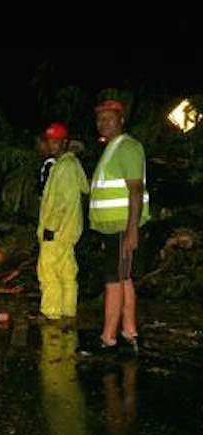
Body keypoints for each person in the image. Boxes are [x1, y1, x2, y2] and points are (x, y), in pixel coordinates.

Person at [89, 100, 150, 352]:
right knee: (123, 280)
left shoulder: (128, 147)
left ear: (121, 120)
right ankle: (128, 332)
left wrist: (132, 231)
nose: (103, 123)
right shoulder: (112, 149)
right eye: (100, 119)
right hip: (114, 230)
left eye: (109, 118)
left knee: (113, 281)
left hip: (124, 229)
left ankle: (108, 338)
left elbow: (135, 190)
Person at [36, 122, 89, 319]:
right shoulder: (71, 165)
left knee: (48, 274)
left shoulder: (64, 167)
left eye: (56, 142)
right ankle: (68, 312)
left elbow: (61, 203)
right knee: (67, 273)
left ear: (64, 142)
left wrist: (50, 227)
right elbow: (84, 188)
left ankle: (51, 315)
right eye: (49, 142)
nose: (51, 146)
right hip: (69, 230)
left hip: (57, 232)